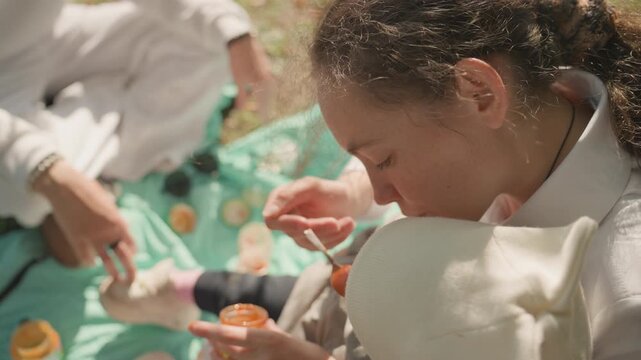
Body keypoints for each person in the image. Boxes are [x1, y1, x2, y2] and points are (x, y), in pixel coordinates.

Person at [189, 0, 641, 359]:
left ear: (479, 92)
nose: (383, 194)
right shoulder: (538, 118)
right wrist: (352, 193)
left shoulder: (622, 305)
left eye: (382, 161)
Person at [0, 0, 272, 282]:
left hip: (38, 40)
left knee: (207, 42)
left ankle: (89, 158)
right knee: (29, 192)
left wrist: (233, 32)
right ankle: (73, 171)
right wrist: (47, 171)